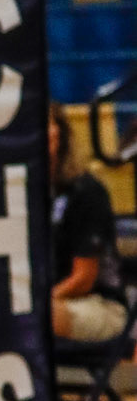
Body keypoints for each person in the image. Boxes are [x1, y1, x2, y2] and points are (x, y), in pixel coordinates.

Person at [49, 105, 127, 342]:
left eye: (46, 124)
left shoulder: (86, 191)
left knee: (36, 317)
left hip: (97, 302)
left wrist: (35, 304)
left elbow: (83, 279)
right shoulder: (19, 194)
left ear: (61, 133)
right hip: (47, 300)